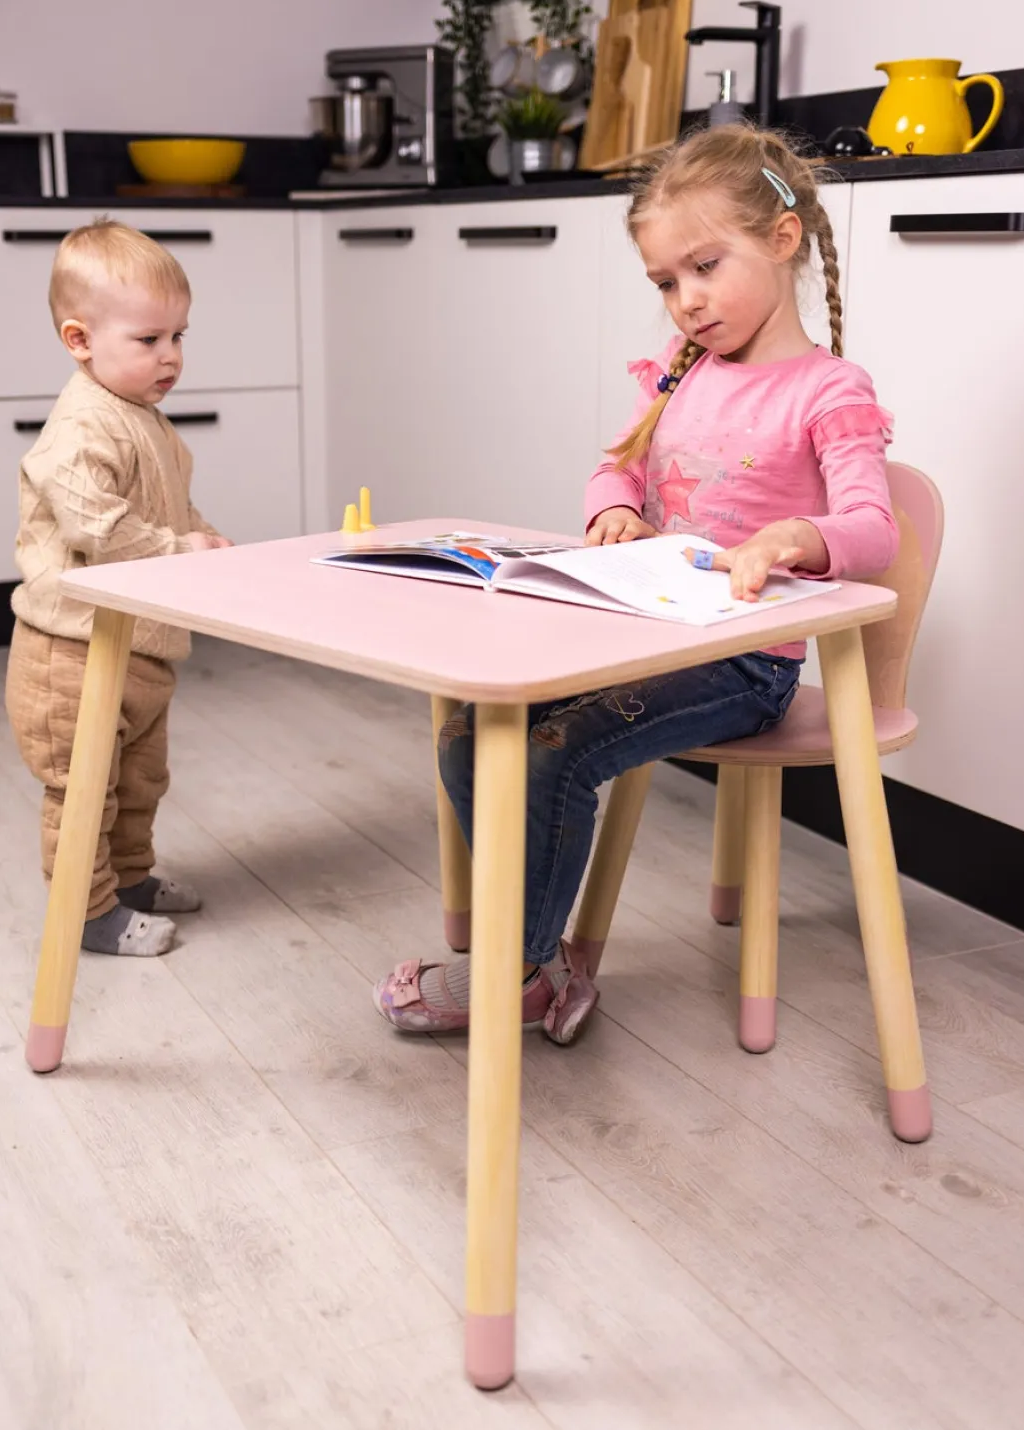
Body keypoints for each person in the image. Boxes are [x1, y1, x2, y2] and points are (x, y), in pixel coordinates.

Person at [373, 123, 899, 1043]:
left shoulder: (829, 391)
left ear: (782, 239)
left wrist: (794, 536)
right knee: (467, 733)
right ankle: (539, 960)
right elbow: (614, 466)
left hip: (745, 663)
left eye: (704, 267)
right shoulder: (678, 375)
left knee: (554, 752)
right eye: (665, 282)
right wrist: (613, 509)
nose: (685, 300)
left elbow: (875, 528)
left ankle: (515, 974)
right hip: (643, 632)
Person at [6, 219, 231, 957]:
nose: (171, 356)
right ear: (79, 340)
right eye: (149, 339)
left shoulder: (148, 421)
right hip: (72, 653)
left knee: (140, 780)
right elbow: (96, 524)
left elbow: (170, 507)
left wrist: (205, 541)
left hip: (140, 649)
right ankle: (87, 909)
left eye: (179, 336)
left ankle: (129, 879)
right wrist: (176, 549)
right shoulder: (81, 426)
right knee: (84, 787)